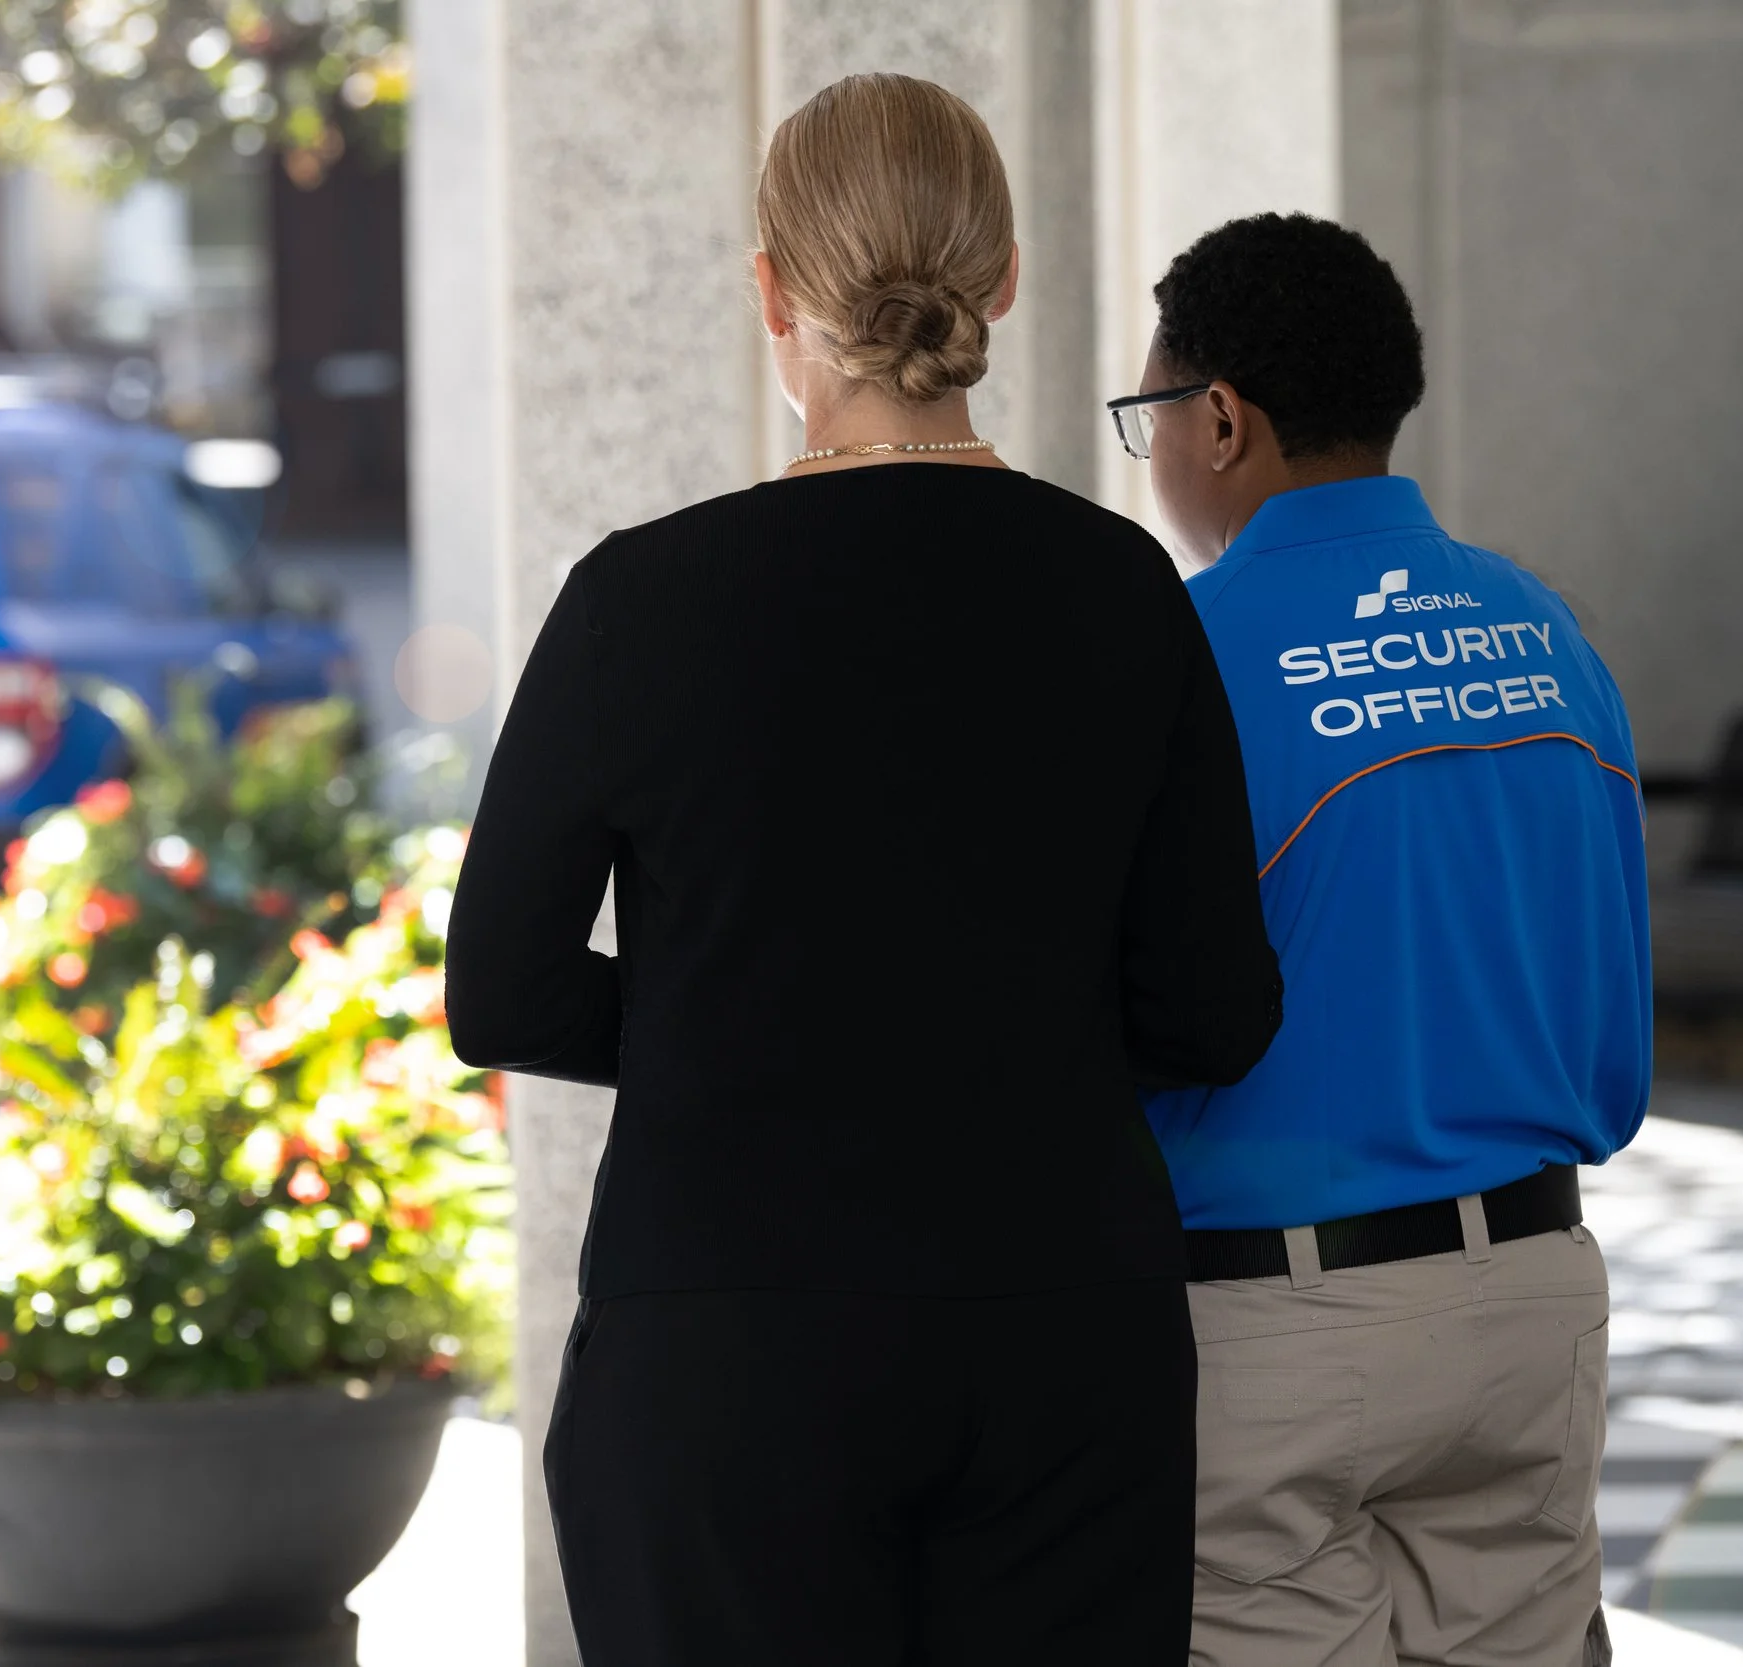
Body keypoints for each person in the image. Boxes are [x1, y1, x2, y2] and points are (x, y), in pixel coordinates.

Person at [448, 73, 1281, 1666]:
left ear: (771, 290)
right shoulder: (1122, 589)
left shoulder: (644, 595)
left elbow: (501, 989)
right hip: (1063, 1329)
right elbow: (1219, 1008)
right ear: (1007, 279)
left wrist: (740, 1031)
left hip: (723, 1331)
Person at [1117, 213, 1649, 1667]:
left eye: (1144, 414)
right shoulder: (1551, 634)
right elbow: (1614, 1029)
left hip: (1275, 1324)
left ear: (1218, 418)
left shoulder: (1179, 656)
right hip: (1535, 1288)